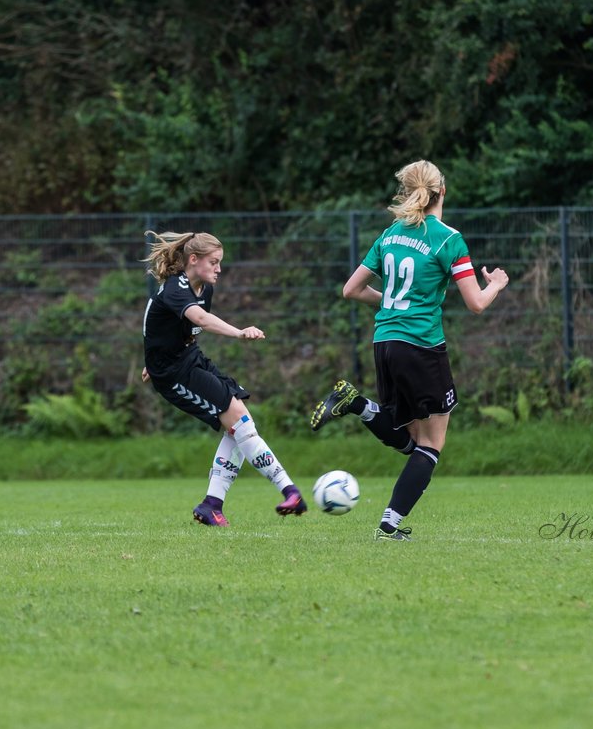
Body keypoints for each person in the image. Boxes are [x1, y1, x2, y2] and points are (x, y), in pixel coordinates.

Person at [310, 160, 509, 541]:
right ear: (442, 191)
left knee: (413, 443)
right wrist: (496, 283)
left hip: (384, 342)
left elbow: (350, 290)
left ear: (410, 191)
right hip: (421, 346)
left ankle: (357, 404)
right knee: (432, 445)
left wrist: (392, 303)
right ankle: (388, 525)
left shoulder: (391, 234)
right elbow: (477, 304)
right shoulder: (449, 239)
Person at [142, 230, 307, 526]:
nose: (219, 269)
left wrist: (153, 354)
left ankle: (212, 505)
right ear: (194, 260)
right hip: (174, 374)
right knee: (240, 423)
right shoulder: (175, 288)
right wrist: (239, 332)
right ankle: (289, 491)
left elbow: (168, 327)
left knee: (239, 423)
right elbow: (199, 320)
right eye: (214, 262)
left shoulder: (204, 288)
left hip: (189, 359)